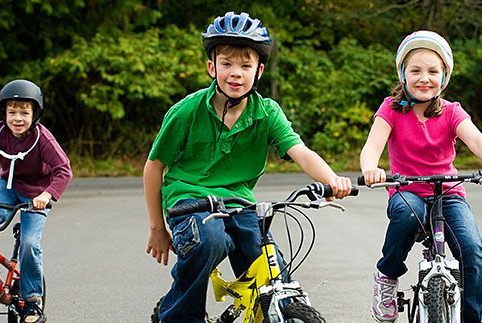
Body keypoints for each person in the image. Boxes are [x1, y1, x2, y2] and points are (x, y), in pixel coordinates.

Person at [144, 11, 353, 322]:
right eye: (226, 64)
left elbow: (301, 152)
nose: (235, 73)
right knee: (211, 240)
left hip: (240, 203)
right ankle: (176, 314)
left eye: (245, 65)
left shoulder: (266, 112)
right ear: (211, 67)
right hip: (189, 201)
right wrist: (158, 229)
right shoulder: (186, 111)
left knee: (269, 265)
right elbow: (154, 167)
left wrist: (333, 179)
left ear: (259, 71)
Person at [360, 30, 482, 322]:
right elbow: (371, 148)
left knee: (472, 250)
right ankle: (387, 274)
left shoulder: (452, 112)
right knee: (406, 215)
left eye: (432, 71)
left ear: (444, 78)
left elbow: (477, 143)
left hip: (448, 194)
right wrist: (370, 169)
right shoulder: (391, 109)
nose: (424, 78)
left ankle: (473, 316)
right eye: (415, 70)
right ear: (403, 75)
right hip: (408, 191)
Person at [0, 79, 73, 323]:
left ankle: (32, 300)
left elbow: (63, 170)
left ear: (35, 114)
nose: (17, 118)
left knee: (30, 243)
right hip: (8, 187)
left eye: (24, 112)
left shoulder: (43, 139)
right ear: (4, 113)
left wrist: (47, 194)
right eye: (12, 112)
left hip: (37, 193)